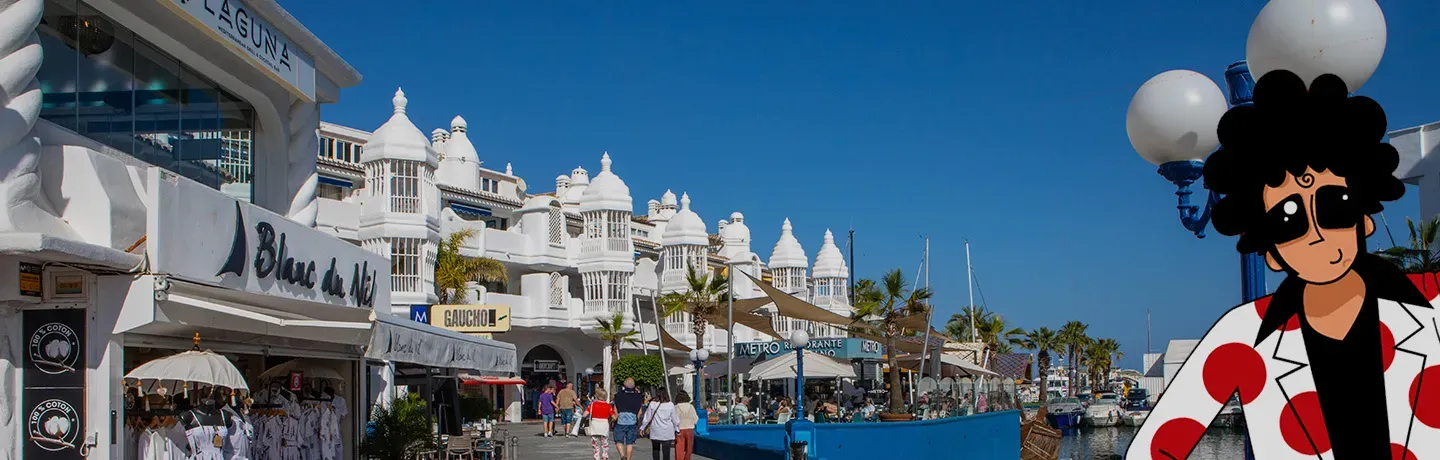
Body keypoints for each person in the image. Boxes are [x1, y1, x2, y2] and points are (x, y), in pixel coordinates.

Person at [1127, 70, 1440, 459]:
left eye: (1334, 206)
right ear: (1271, 251)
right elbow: (1155, 447)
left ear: (1364, 219)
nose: (1317, 232)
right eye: (1288, 221)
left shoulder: (1434, 306)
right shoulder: (1241, 338)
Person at [639, 392, 679, 460]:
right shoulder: (670, 405)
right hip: (667, 431)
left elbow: (647, 417)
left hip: (655, 430)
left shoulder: (652, 404)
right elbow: (674, 419)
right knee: (666, 452)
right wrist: (677, 429)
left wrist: (642, 427)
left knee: (655, 450)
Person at [612, 378, 644, 460]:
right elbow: (640, 412)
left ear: (624, 385)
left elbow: (615, 409)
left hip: (621, 421)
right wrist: (637, 420)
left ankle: (622, 455)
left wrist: (615, 417)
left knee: (618, 440)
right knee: (629, 443)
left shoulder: (618, 395)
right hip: (632, 421)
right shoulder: (638, 397)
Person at [588, 388, 614, 460]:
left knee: (595, 444)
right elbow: (613, 416)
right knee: (604, 443)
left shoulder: (592, 405)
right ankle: (604, 456)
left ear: (597, 396)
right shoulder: (608, 406)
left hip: (594, 426)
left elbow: (585, 414)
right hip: (604, 426)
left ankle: (596, 457)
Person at [673, 391, 698, 460]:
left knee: (679, 447)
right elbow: (696, 418)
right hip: (690, 428)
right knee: (689, 448)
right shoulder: (691, 407)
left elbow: (674, 419)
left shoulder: (676, 407)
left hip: (679, 429)